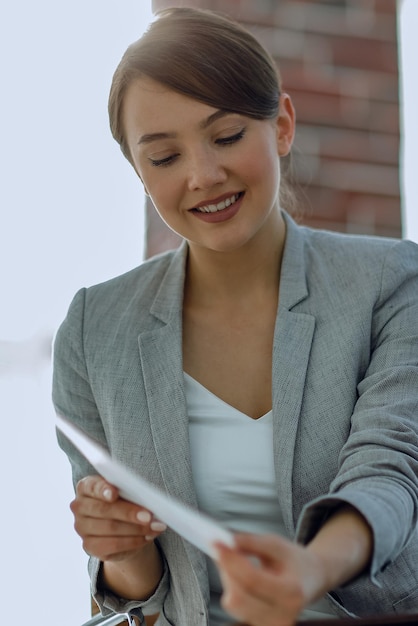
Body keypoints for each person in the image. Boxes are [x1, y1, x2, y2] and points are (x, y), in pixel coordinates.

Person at [52, 7, 418, 626]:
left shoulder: (390, 283)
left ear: (281, 125)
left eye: (225, 137)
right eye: (164, 157)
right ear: (139, 174)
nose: (203, 175)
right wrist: (121, 549)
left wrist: (310, 569)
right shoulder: (95, 329)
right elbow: (131, 595)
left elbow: (392, 471)